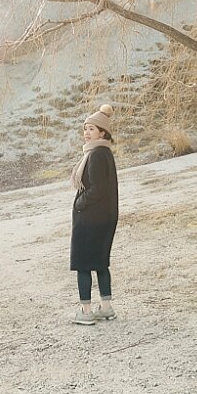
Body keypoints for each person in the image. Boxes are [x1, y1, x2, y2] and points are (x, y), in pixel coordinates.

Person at [70, 104, 120, 325]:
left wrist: (80, 203)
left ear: (102, 132)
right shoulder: (104, 152)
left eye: (91, 129)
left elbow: (97, 189)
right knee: (100, 263)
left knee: (83, 264)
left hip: (90, 218)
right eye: (85, 129)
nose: (87, 133)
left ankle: (86, 311)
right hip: (105, 217)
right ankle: (106, 308)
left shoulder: (97, 155)